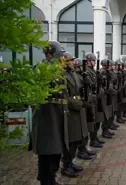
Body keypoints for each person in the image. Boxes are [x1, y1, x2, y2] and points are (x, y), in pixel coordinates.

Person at [30, 40, 67, 185]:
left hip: (56, 116)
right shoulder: (40, 69)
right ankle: (46, 179)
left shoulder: (57, 70)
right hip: (46, 117)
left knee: (56, 151)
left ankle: (49, 177)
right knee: (46, 152)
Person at [61, 52, 90, 177]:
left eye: (73, 60)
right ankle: (66, 165)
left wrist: (86, 80)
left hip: (78, 110)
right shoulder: (62, 76)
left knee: (78, 139)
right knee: (72, 141)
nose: (73, 62)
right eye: (71, 60)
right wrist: (79, 103)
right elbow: (65, 96)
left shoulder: (73, 75)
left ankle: (70, 162)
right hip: (71, 111)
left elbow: (81, 88)